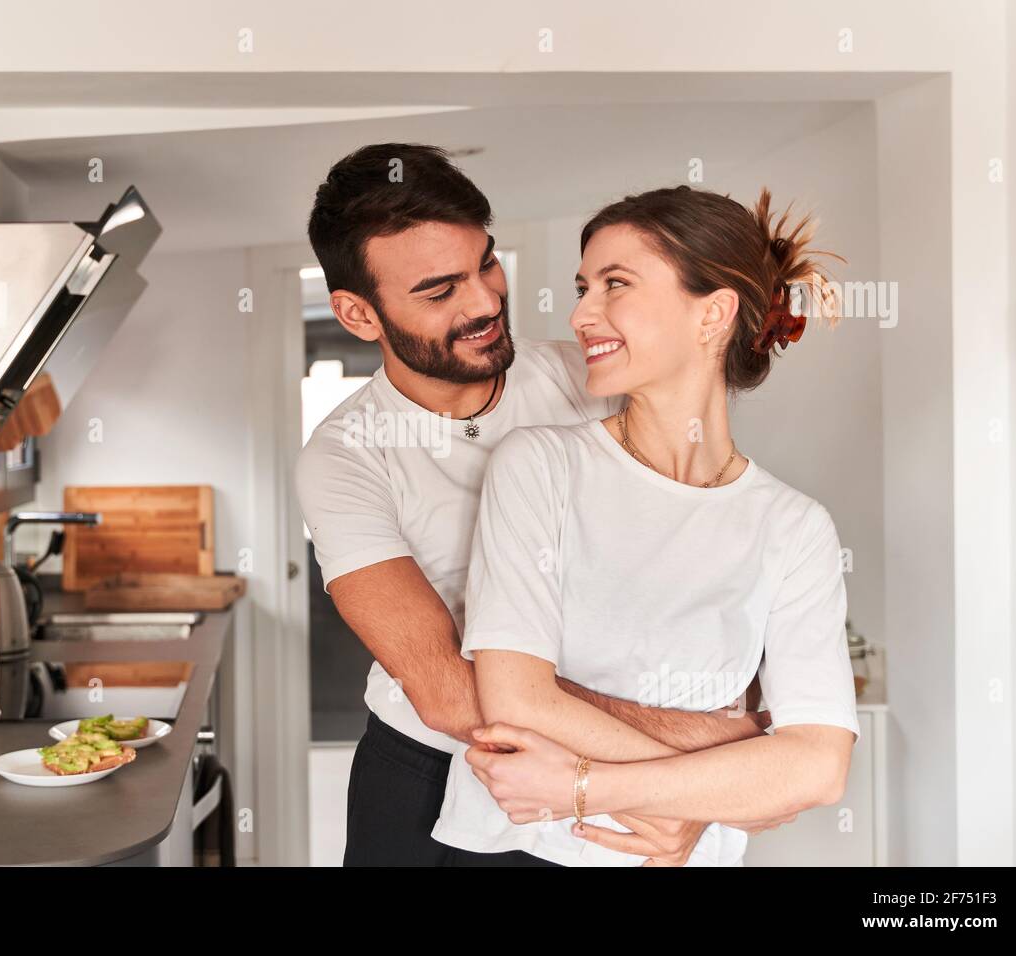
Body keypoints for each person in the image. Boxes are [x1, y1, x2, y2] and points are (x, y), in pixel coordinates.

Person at [297, 147, 776, 866]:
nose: (486, 302)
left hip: (601, 771)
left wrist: (676, 785)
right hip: (430, 771)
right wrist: (691, 763)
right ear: (358, 314)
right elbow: (450, 694)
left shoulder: (595, 380)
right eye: (439, 291)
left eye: (485, 264)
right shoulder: (344, 458)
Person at [430, 185, 860, 866]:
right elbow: (516, 699)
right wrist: (710, 788)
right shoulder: (540, 466)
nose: (579, 314)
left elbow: (818, 767)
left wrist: (593, 787)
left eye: (615, 285)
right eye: (582, 287)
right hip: (513, 848)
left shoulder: (793, 526)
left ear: (712, 314)